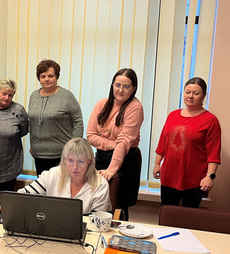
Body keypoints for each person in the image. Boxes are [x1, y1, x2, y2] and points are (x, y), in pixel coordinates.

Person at [153, 77, 221, 208]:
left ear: (204, 96)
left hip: (194, 180)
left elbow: (213, 153)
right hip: (169, 177)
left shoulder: (210, 120)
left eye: (196, 93)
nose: (190, 96)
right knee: (167, 216)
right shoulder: (173, 115)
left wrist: (210, 176)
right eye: (187, 92)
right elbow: (163, 142)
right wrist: (157, 163)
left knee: (188, 220)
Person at [0, 137, 111, 215]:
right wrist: (8, 205)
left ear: (89, 161)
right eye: (70, 160)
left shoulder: (100, 185)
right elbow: (24, 194)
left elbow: (97, 224)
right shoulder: (52, 174)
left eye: (81, 161)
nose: (75, 167)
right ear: (65, 160)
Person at [87, 68, 143, 220]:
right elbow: (91, 136)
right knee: (98, 202)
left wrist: (111, 171)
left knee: (119, 207)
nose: (120, 90)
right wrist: (113, 143)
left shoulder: (135, 107)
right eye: (117, 85)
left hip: (125, 160)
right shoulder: (102, 104)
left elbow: (124, 142)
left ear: (134, 89)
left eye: (126, 87)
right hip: (102, 157)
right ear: (112, 85)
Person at [28, 59, 83, 176]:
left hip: (62, 153)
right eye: (43, 76)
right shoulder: (34, 96)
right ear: (39, 78)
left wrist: (73, 148)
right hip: (39, 153)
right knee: (43, 188)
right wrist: (32, 145)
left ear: (57, 76)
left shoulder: (66, 96)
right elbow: (31, 122)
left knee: (60, 189)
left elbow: (78, 121)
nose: (47, 79)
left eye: (50, 76)